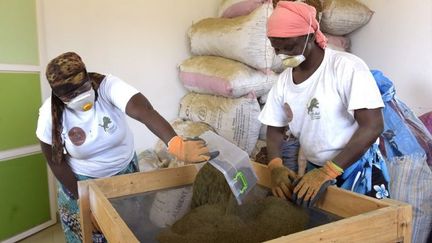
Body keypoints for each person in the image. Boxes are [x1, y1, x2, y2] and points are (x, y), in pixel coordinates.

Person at [36, 52, 212, 242]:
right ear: (59, 96)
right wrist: (82, 201)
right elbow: (56, 162)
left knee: (125, 231)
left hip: (125, 174)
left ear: (87, 78)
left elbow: (144, 111)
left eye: (83, 89)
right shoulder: (50, 114)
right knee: (91, 235)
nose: (80, 97)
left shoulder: (106, 86)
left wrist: (176, 143)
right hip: (80, 183)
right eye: (71, 96)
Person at [259, 1, 390, 207]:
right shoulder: (284, 81)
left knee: (362, 231)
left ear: (310, 37)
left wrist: (329, 172)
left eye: (290, 47)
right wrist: (275, 166)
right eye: (277, 49)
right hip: (316, 168)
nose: (283, 55)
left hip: (356, 166)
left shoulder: (345, 67)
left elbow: (372, 126)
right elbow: (274, 128)